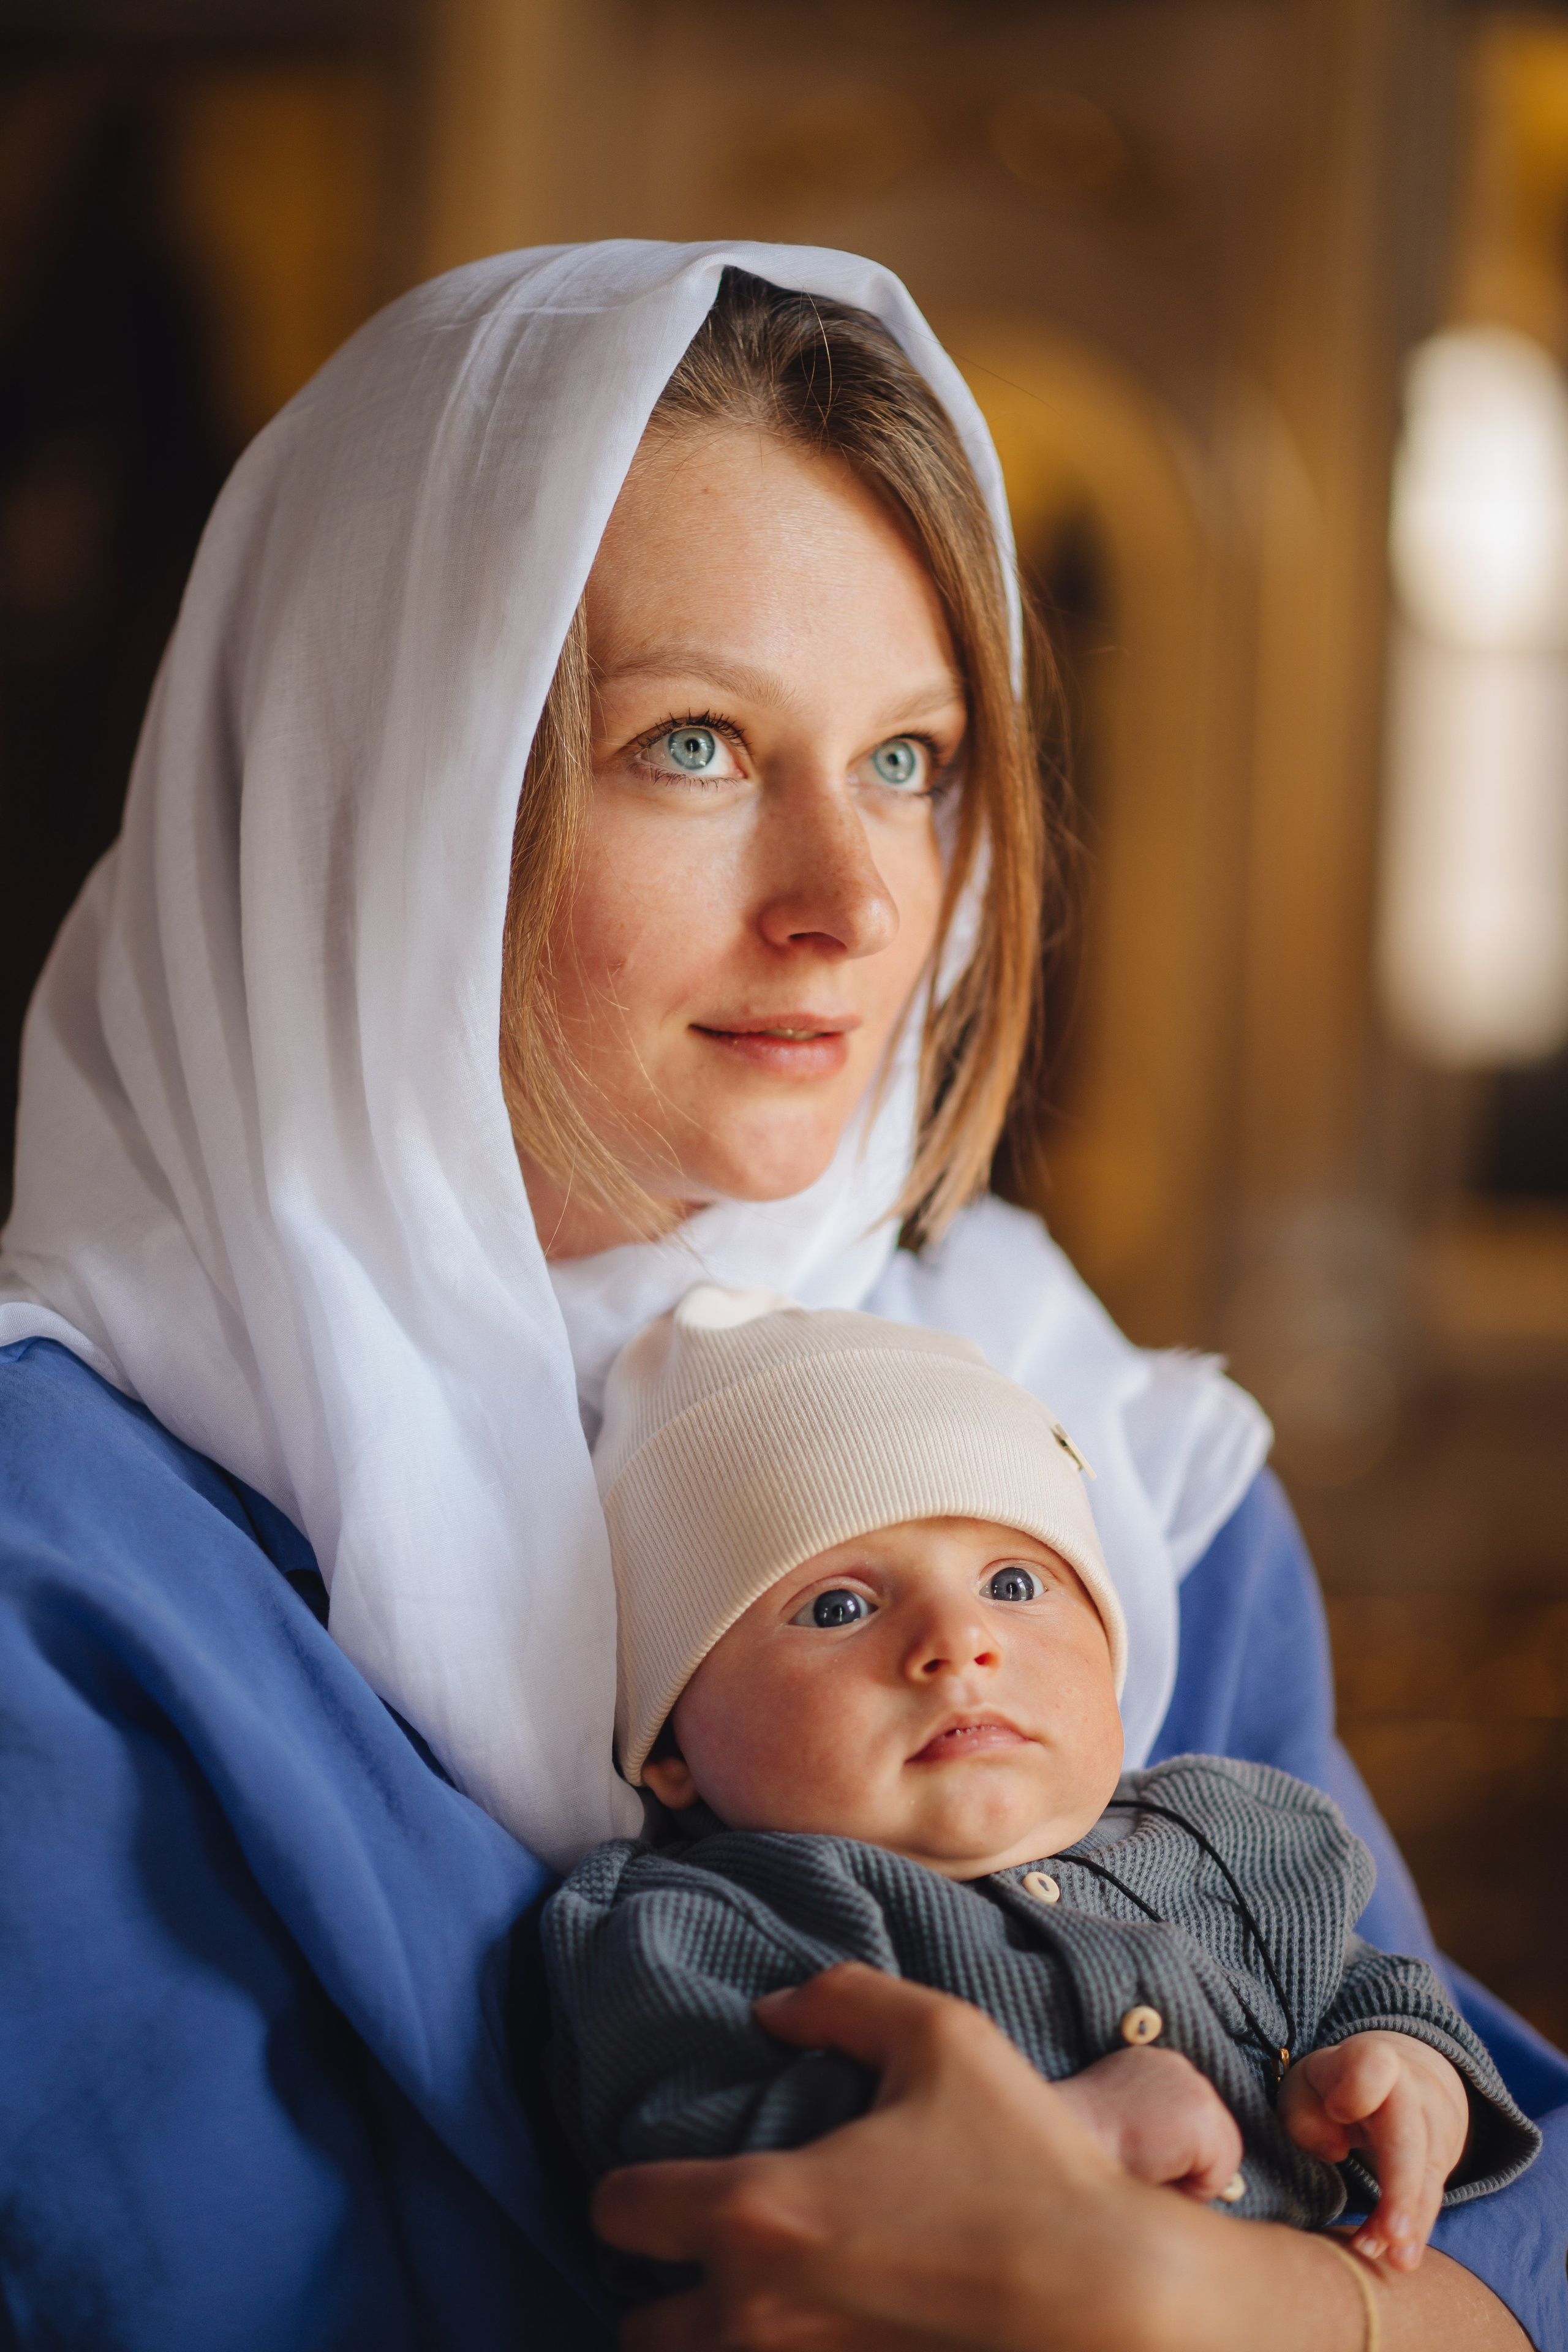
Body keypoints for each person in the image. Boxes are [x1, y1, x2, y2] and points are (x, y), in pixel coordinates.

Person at [0, 246, 1562, 2352]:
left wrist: (1214, 2313)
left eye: (911, 761)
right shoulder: (73, 1561)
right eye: (699, 744)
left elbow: (1507, 2212)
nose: (850, 907)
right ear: (383, 793)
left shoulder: (1097, 1449)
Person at [543, 1285, 1537, 2261]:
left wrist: (1403, 2067)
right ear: (672, 1748)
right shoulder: (696, 1923)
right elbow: (694, 2139)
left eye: (1013, 1584)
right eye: (838, 1608)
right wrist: (1061, 2134)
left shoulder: (1233, 1836)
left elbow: (1370, 1984)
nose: (960, 1641)